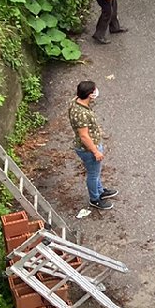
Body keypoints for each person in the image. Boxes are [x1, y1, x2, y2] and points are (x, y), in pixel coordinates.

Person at [67, 81, 118, 211]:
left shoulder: (76, 102)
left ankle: (100, 190)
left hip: (89, 145)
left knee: (96, 172)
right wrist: (95, 151)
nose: (96, 92)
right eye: (94, 90)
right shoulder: (82, 114)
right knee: (93, 174)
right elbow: (84, 136)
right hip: (88, 149)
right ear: (90, 94)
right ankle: (95, 199)